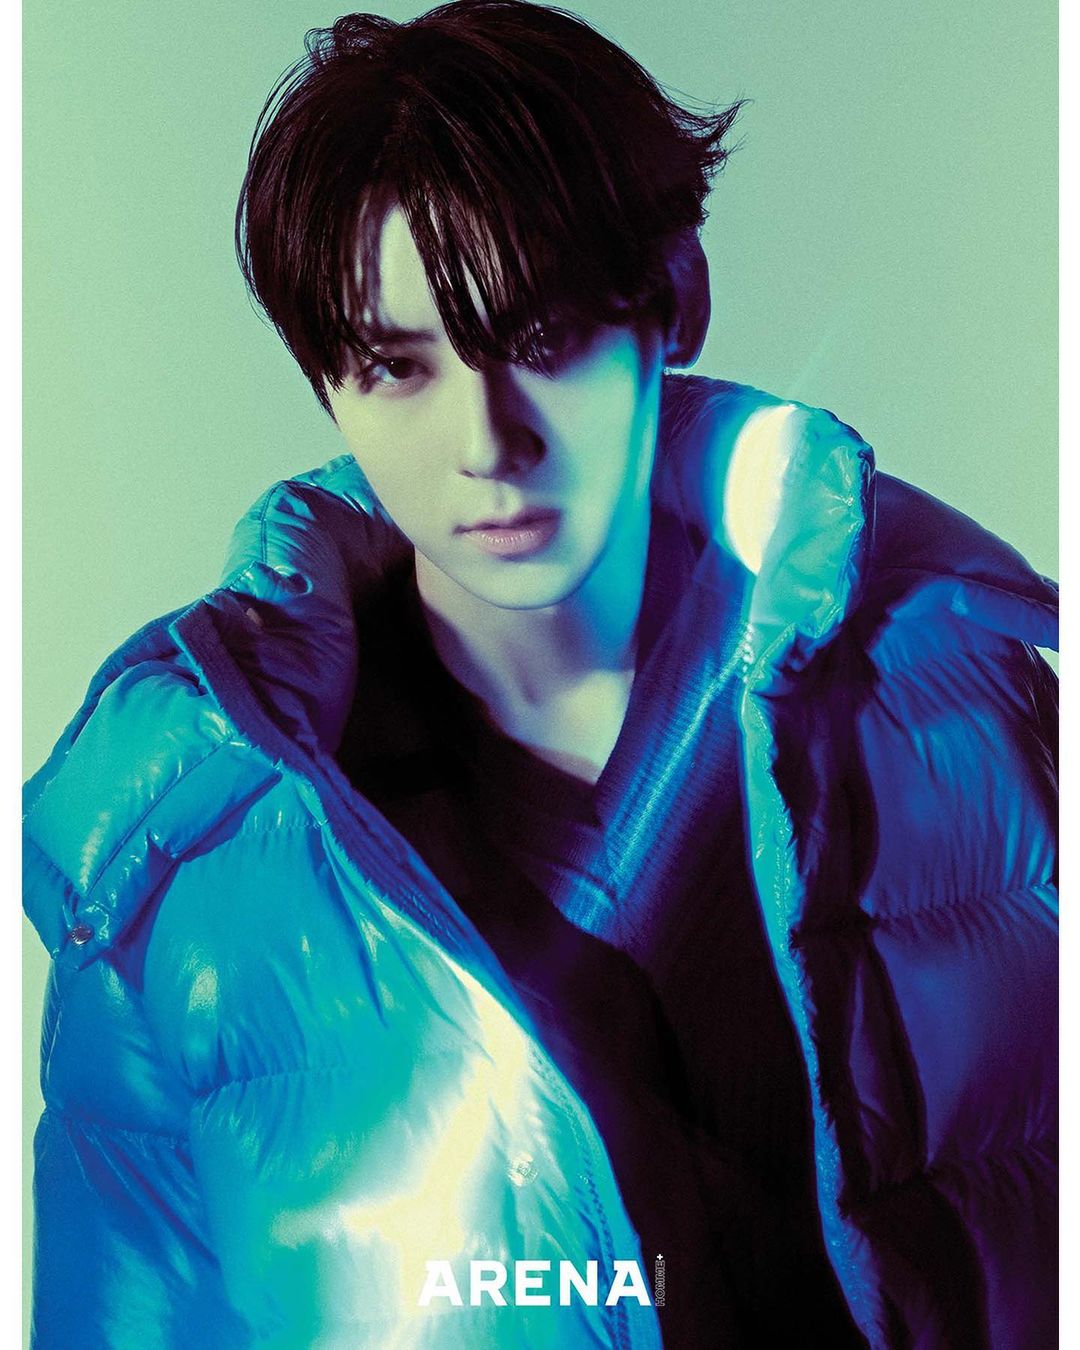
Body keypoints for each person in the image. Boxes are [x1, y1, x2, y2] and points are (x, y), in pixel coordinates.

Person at [23, 2, 1057, 1346]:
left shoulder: (969, 710)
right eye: (395, 366)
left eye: (543, 336)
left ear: (674, 301)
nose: (486, 442)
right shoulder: (183, 853)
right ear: (328, 383)